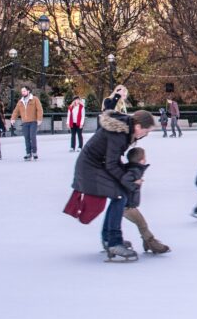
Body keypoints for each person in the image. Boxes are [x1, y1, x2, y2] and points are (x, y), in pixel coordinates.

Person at [71, 85, 155, 262]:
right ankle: (113, 242)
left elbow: (112, 160)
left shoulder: (124, 129)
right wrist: (129, 180)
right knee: (119, 196)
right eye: (146, 132)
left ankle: (108, 238)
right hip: (90, 168)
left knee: (120, 195)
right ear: (138, 126)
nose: (144, 136)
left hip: (95, 165)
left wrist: (126, 176)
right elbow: (111, 163)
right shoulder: (121, 132)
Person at [121, 147, 170, 254]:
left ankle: (147, 243)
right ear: (141, 160)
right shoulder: (134, 170)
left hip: (128, 205)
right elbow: (124, 181)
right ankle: (152, 244)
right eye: (144, 157)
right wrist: (135, 184)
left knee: (141, 224)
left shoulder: (135, 169)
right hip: (128, 206)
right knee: (142, 224)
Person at [10, 85, 44, 161]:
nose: (23, 93)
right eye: (22, 91)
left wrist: (39, 119)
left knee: (32, 136)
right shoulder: (20, 101)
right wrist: (13, 119)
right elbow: (16, 111)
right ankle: (28, 153)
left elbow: (39, 109)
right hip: (25, 122)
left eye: (24, 91)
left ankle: (34, 152)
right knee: (26, 138)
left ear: (28, 91)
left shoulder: (35, 99)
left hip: (33, 121)